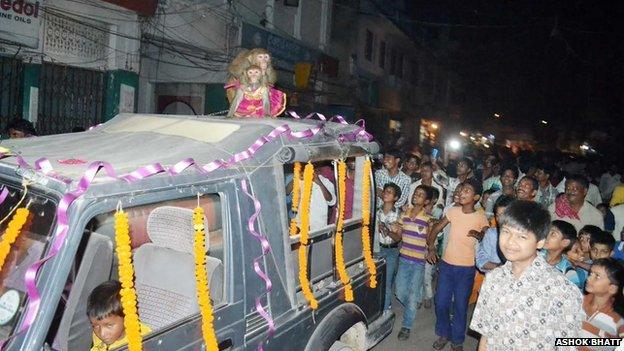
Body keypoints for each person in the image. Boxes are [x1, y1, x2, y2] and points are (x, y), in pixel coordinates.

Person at [471, 201, 584, 351]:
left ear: (540, 242)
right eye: (506, 232)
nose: (510, 241)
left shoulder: (562, 290)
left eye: (522, 236)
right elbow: (486, 335)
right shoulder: (493, 279)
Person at [426, 178, 489, 351]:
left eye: (467, 190)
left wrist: (479, 234)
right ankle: (444, 333)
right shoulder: (453, 211)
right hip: (446, 265)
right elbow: (437, 228)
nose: (461, 192)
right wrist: (431, 248)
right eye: (461, 189)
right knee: (441, 302)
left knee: (461, 306)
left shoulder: (480, 215)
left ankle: (457, 340)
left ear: (476, 197)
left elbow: (487, 237)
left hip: (466, 268)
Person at [394, 184, 434, 340]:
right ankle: (414, 303)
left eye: (420, 194)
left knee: (411, 295)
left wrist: (431, 230)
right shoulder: (404, 214)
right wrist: (391, 228)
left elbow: (430, 240)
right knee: (399, 291)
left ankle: (406, 325)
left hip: (418, 262)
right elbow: (397, 234)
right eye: (415, 193)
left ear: (426, 201)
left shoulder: (427, 218)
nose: (416, 195)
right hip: (404, 258)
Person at [88, 280, 151, 351]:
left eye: (109, 325)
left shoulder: (143, 338)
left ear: (126, 317)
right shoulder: (99, 330)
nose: (102, 334)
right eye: (95, 326)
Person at [579, 258, 624, 348]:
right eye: (590, 273)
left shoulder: (618, 320)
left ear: (612, 288)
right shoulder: (578, 301)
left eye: (597, 276)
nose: (588, 278)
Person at [374, 182, 401, 311]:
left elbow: (398, 238)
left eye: (389, 192)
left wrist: (387, 230)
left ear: (395, 198)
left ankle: (385, 309)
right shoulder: (377, 211)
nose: (385, 194)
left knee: (387, 282)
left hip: (391, 250)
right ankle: (377, 308)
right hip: (377, 248)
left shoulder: (398, 215)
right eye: (385, 191)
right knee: (376, 280)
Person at [287, 163, 336, 231]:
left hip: (318, 226)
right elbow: (287, 192)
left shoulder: (325, 182)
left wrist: (320, 183)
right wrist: (296, 178)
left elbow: (332, 201)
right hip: (300, 226)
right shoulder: (300, 180)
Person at [476, 195, 515, 273]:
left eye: (504, 215)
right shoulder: (492, 234)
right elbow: (481, 260)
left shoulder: (524, 237)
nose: (500, 219)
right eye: (498, 215)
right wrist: (500, 267)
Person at [541, 220, 581, 288]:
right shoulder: (534, 255)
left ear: (565, 242)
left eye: (553, 234)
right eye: (547, 232)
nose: (546, 236)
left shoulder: (568, 271)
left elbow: (575, 295)